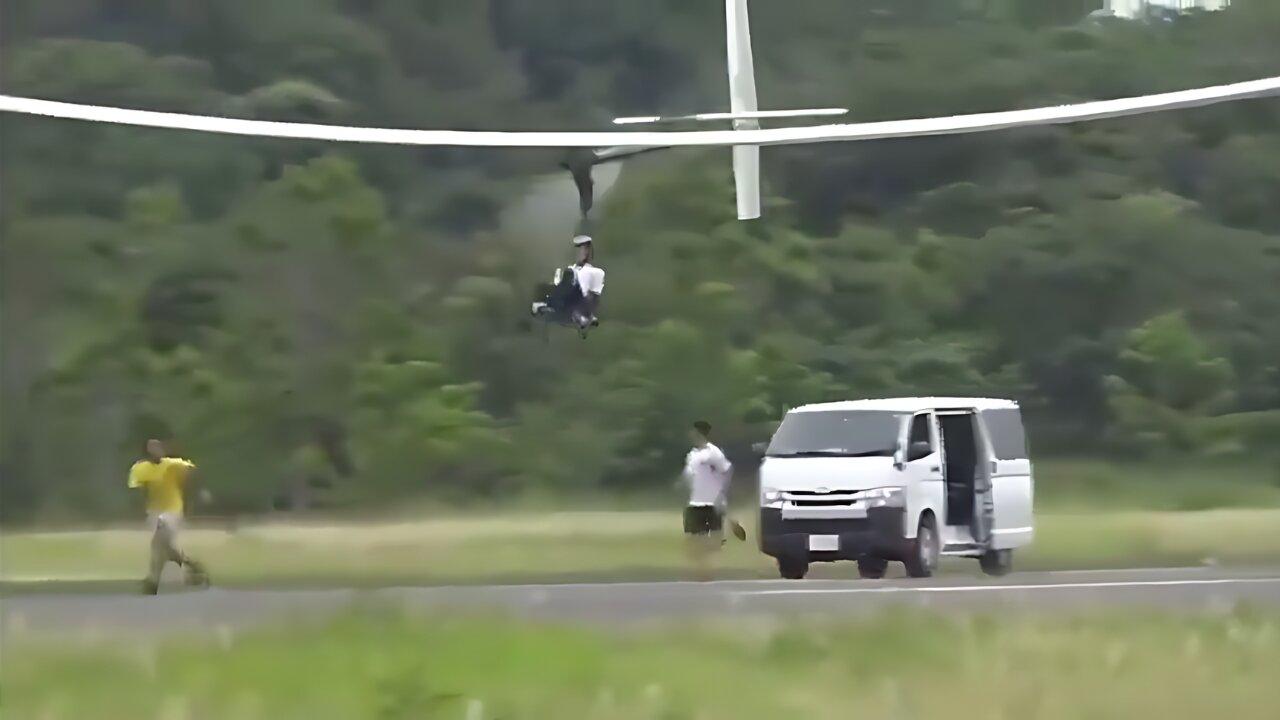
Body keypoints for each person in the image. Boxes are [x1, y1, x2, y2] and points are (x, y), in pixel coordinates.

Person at [127, 438, 211, 595]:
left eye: (158, 447)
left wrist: (201, 491)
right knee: (165, 547)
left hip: (172, 510)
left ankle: (153, 581)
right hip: (153, 511)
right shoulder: (140, 469)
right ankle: (192, 565)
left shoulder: (173, 464)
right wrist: (139, 509)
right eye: (152, 448)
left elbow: (193, 471)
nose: (156, 451)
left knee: (158, 543)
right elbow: (138, 491)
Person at [680, 420, 746, 580]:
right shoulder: (692, 455)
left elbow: (727, 470)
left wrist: (721, 492)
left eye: (693, 431)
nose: (690, 434)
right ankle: (700, 570)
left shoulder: (713, 453)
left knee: (713, 540)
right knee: (694, 539)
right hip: (695, 502)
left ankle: (707, 571)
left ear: (699, 433)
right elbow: (689, 476)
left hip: (712, 502)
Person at [531, 234, 605, 329]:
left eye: (582, 249)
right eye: (578, 249)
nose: (579, 253)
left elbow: (570, 295)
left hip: (570, 310)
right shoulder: (575, 270)